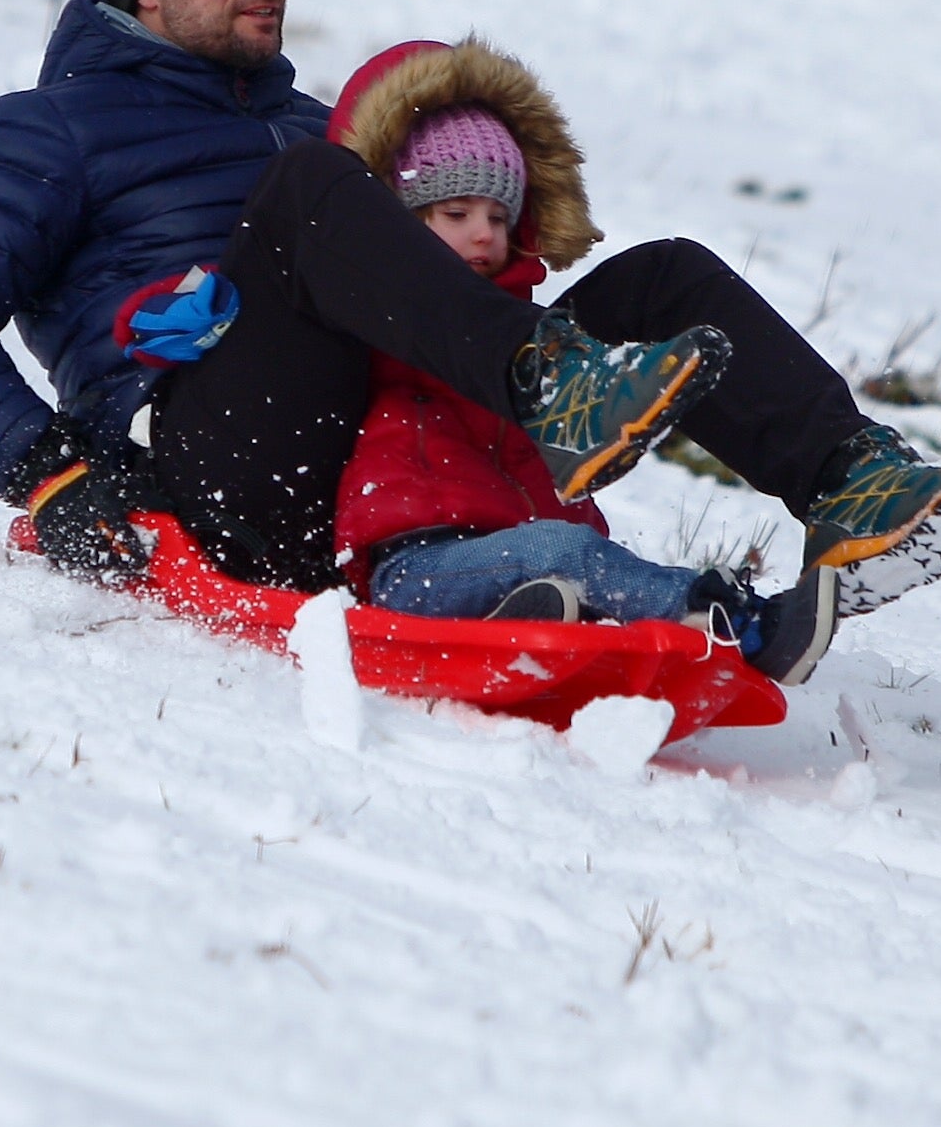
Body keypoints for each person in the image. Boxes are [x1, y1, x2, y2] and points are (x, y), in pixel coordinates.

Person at [0, 0, 941, 619]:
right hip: (218, 470)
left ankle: (856, 492)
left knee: (661, 278)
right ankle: (554, 389)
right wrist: (50, 474)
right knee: (314, 197)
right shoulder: (54, 130)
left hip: (387, 459)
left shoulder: (319, 129)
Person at [325, 37, 899, 684]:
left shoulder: (529, 337)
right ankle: (737, 626)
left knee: (571, 553)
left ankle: (537, 623)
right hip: (414, 570)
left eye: (498, 214)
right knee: (565, 551)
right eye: (456, 213)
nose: (484, 232)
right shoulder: (387, 328)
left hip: (511, 556)